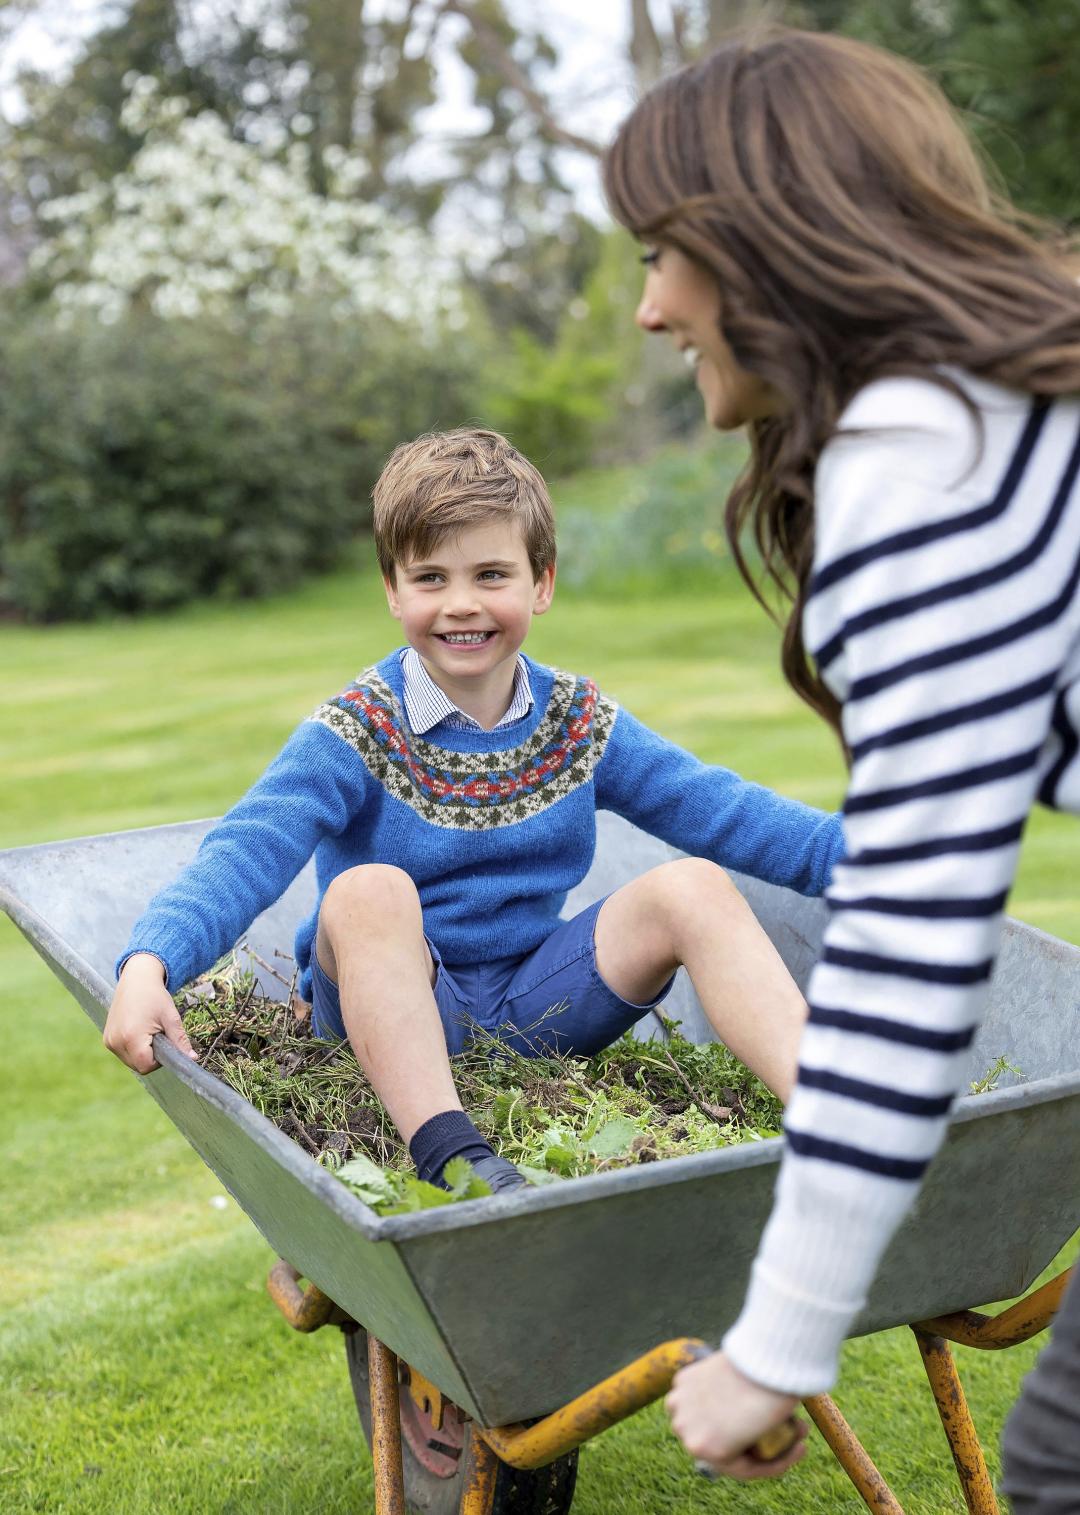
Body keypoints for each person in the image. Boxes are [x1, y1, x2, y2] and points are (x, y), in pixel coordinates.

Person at [604, 24, 1080, 1500]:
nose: (646, 310)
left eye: (662, 255)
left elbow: (910, 947)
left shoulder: (921, 454)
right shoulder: (1010, 404)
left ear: (759, 245)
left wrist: (777, 1340)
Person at [104, 426, 843, 1199]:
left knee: (692, 883)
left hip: (537, 1002)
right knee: (367, 890)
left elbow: (721, 810)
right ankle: (455, 1156)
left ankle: (834, 1120)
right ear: (392, 589)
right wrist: (152, 960)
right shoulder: (358, 728)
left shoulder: (577, 720)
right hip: (387, 1009)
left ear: (542, 583)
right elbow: (248, 846)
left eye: (492, 573)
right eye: (430, 577)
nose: (462, 604)